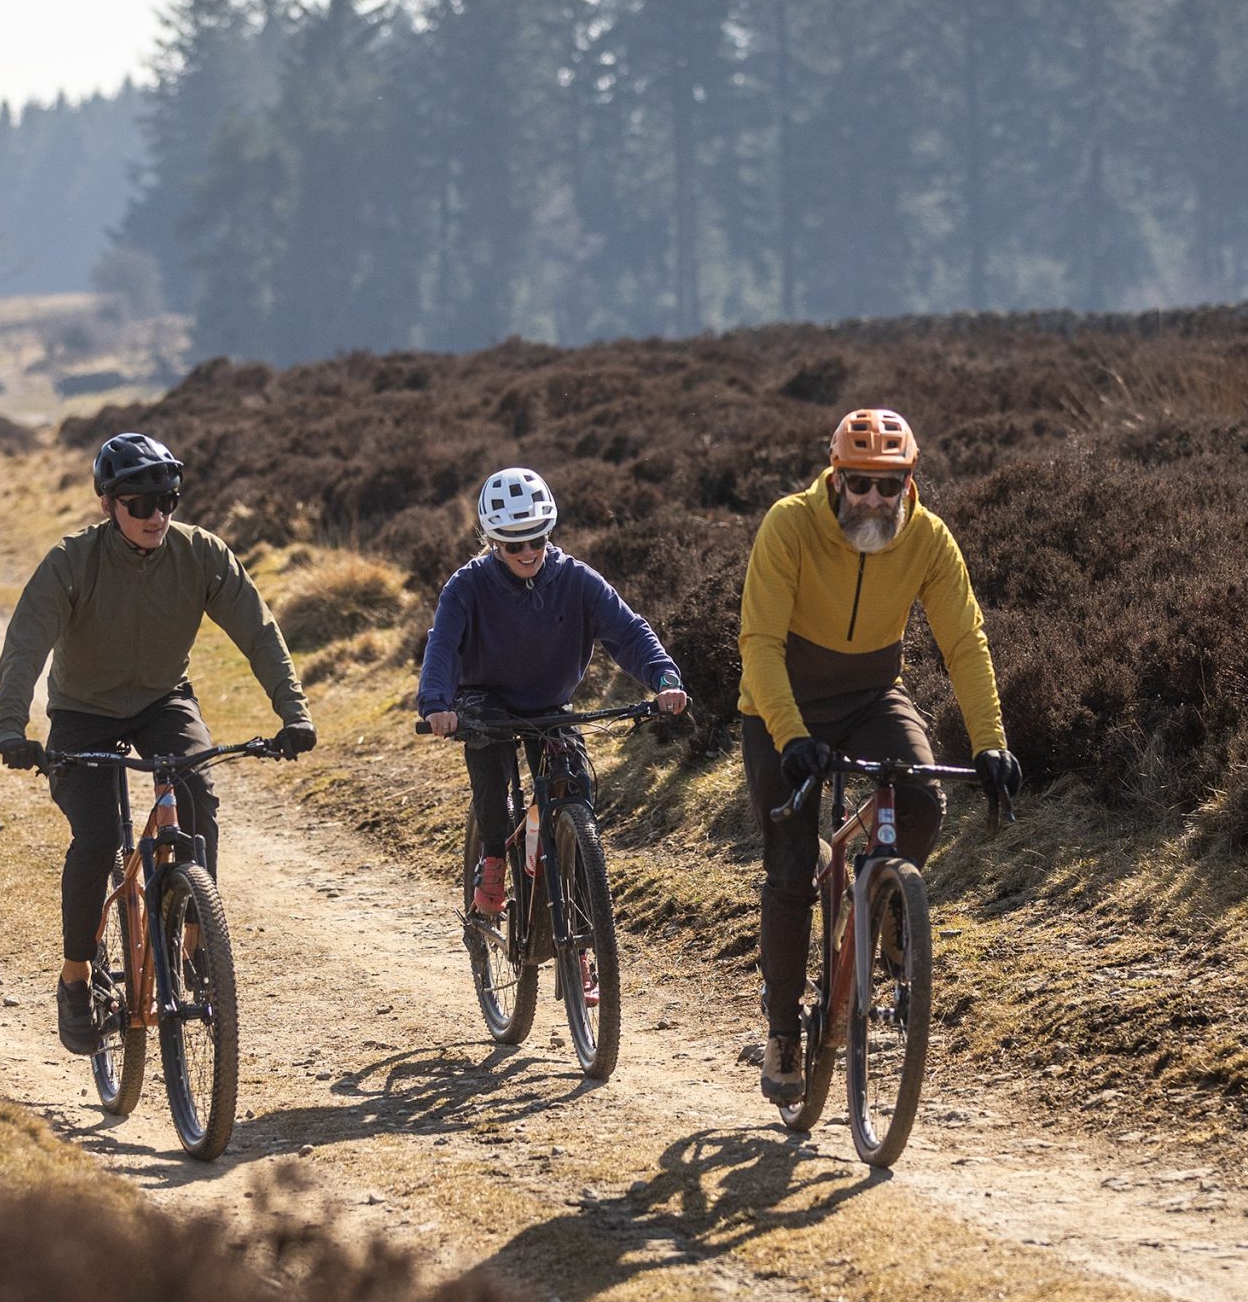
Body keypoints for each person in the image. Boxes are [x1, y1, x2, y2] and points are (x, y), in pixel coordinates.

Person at [0, 431, 316, 1056]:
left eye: (167, 499)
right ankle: (77, 977)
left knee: (199, 796)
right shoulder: (71, 562)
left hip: (164, 699)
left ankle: (198, 945)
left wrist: (293, 712)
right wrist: (13, 729)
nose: (156, 516)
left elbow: (259, 630)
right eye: (140, 505)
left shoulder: (200, 555)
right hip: (84, 712)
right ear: (110, 504)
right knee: (98, 837)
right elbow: (25, 643)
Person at [737, 408, 1023, 1105]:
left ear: (907, 484)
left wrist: (991, 742)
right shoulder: (789, 524)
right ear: (835, 477)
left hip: (870, 694)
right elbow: (761, 642)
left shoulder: (927, 537)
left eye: (887, 486)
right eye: (859, 483)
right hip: (782, 703)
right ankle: (782, 1033)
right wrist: (789, 731)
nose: (872, 499)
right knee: (791, 868)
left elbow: (965, 641)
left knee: (923, 797)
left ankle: (885, 893)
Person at [419, 467, 688, 919]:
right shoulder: (465, 588)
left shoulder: (577, 580)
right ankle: (493, 859)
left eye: (537, 539)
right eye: (513, 543)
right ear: (491, 542)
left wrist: (664, 678)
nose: (528, 552)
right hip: (485, 701)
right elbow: (442, 645)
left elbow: (628, 632)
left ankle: (581, 939)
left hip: (550, 703)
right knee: (491, 773)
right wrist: (436, 703)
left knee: (575, 792)